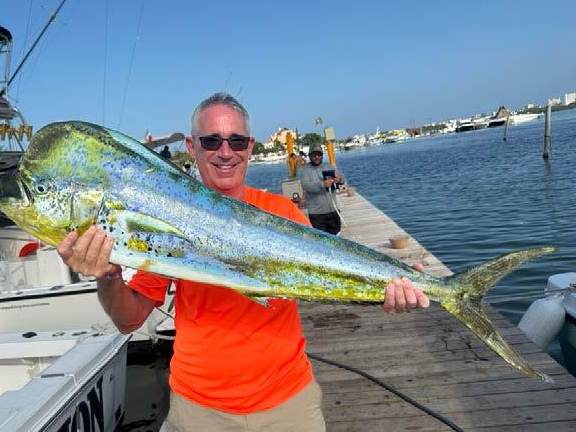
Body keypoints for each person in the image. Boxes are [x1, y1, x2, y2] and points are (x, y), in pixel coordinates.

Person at [56, 92, 429, 432]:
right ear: (192, 147)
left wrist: (390, 287)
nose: (225, 151)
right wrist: (107, 275)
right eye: (211, 140)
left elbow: (332, 273)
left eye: (236, 140)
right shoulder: (166, 219)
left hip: (289, 407)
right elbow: (129, 320)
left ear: (249, 147)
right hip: (198, 411)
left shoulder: (283, 212)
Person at [298, 144, 346, 235]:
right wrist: (322, 184)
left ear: (322, 155)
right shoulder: (304, 170)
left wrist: (339, 179)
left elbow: (342, 179)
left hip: (332, 210)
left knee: (336, 235)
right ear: (309, 156)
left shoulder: (329, 166)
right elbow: (306, 185)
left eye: (319, 154)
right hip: (316, 213)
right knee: (321, 237)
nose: (317, 157)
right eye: (314, 155)